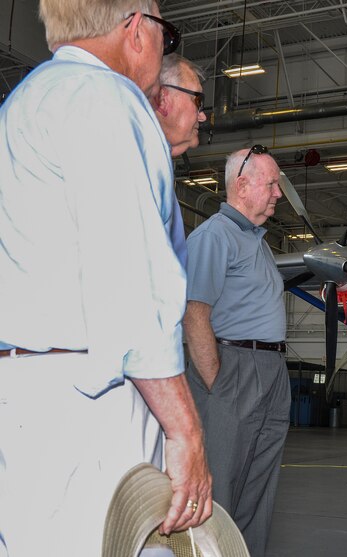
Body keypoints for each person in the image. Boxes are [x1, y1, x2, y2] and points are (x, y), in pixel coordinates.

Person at [0, 2, 212, 556]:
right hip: (90, 400)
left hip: (25, 389)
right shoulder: (106, 99)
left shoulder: (24, 102)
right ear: (136, 28)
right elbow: (130, 281)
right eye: (165, 32)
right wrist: (185, 430)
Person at [183, 146, 290, 557]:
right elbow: (195, 314)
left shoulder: (258, 242)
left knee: (258, 490)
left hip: (270, 369)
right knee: (220, 487)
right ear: (242, 185)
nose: (278, 192)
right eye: (271, 183)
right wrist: (217, 383)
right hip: (234, 369)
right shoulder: (213, 235)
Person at [152, 52, 208, 266]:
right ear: (163, 99)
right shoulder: (135, 167)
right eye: (197, 100)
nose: (202, 116)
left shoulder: (157, 170)